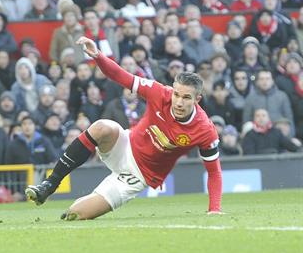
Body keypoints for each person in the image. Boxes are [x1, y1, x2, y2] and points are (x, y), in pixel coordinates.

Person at [25, 36, 223, 220]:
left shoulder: (205, 130)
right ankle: (50, 184)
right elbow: (121, 76)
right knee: (102, 127)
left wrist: (214, 209)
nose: (178, 102)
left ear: (197, 99)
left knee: (76, 215)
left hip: (137, 176)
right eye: (176, 94)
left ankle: (80, 204)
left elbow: (214, 171)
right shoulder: (159, 92)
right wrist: (98, 56)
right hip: (124, 145)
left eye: (186, 97)